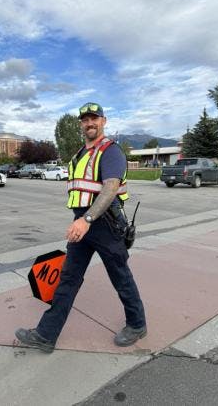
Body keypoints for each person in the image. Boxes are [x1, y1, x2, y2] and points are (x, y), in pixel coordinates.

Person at [15, 102, 146, 353]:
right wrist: (80, 219)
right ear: (81, 124)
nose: (90, 123)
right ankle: (46, 335)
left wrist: (86, 220)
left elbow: (110, 188)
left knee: (121, 277)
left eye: (94, 119)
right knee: (68, 279)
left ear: (104, 121)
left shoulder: (110, 151)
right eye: (85, 120)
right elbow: (82, 192)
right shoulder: (79, 155)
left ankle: (137, 324)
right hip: (83, 224)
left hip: (105, 224)